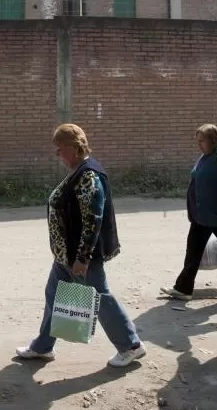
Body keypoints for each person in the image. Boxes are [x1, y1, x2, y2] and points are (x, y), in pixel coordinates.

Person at [15, 123, 147, 368]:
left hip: (80, 257)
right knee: (53, 295)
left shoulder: (88, 175)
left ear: (74, 148)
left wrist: (82, 259)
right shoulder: (78, 170)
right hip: (66, 255)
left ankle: (131, 346)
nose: (57, 154)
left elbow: (92, 221)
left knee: (100, 298)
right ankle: (42, 347)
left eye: (59, 148)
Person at [161, 124, 217, 301]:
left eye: (203, 141)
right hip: (201, 217)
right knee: (193, 252)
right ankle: (183, 289)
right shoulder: (204, 157)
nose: (199, 144)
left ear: (213, 140)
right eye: (198, 141)